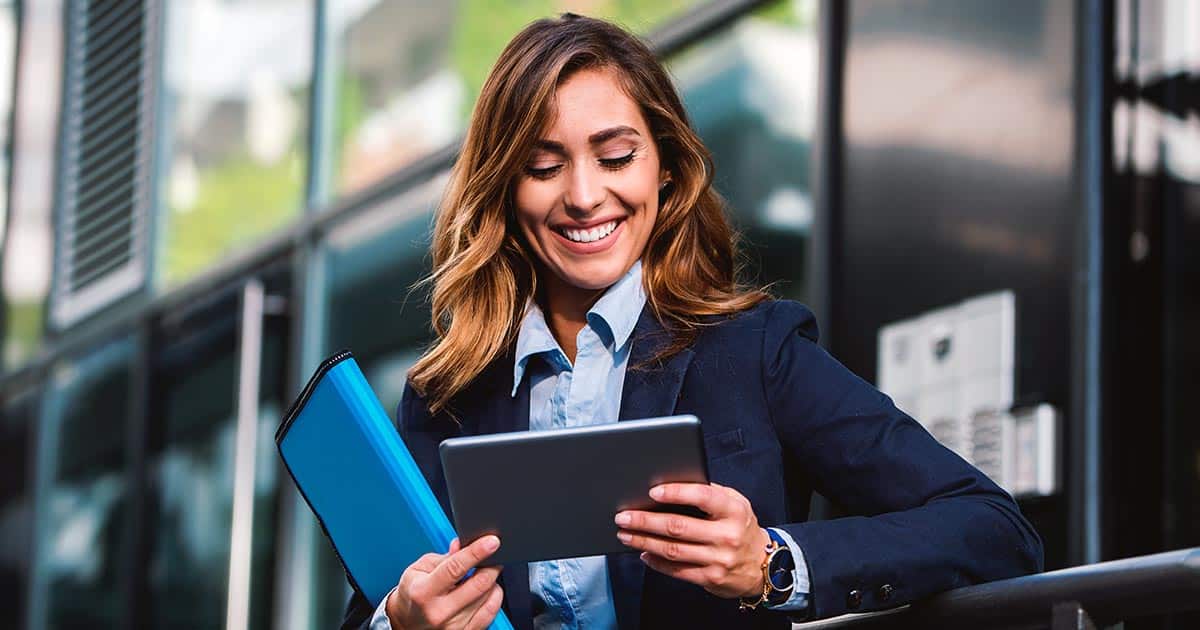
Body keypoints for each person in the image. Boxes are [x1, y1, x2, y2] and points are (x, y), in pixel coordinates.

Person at [342, 13, 1043, 630]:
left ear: (667, 169)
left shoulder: (756, 353)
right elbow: (372, 608)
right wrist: (400, 623)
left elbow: (991, 527)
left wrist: (770, 563)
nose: (585, 196)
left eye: (617, 156)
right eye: (544, 166)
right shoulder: (448, 400)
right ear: (504, 188)